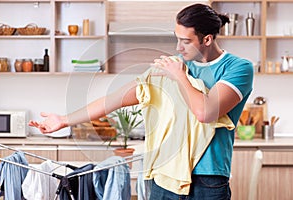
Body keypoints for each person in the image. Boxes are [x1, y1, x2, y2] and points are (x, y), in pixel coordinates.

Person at [29, 3, 253, 200]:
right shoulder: (172, 65)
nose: (178, 48)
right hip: (163, 174)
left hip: (208, 178)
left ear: (207, 39)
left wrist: (180, 77)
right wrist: (65, 120)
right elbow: (115, 99)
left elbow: (206, 113)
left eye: (185, 41)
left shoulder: (237, 68)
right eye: (177, 39)